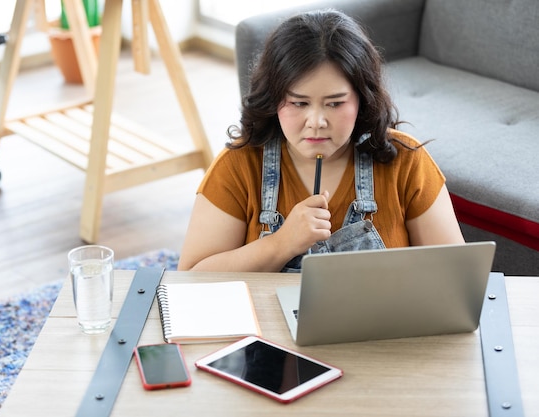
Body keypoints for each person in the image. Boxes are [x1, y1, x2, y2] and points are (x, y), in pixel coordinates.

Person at [178, 9, 464, 272]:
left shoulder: (407, 161)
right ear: (274, 100)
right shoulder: (238, 165)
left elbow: (456, 275)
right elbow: (190, 278)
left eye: (335, 103)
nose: (316, 121)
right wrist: (281, 243)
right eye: (299, 103)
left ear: (362, 101)